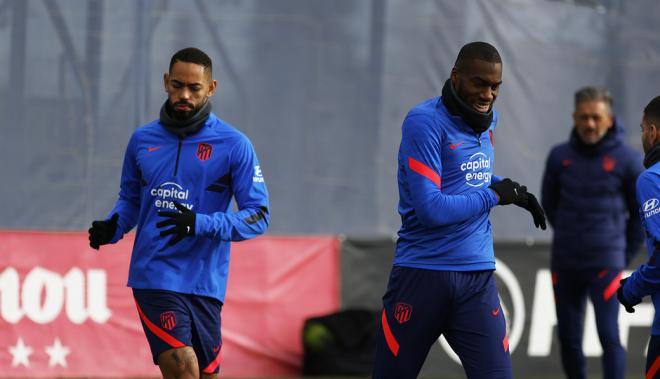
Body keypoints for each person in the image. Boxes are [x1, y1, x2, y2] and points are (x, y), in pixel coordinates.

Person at [87, 47, 269, 378]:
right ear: (165, 82)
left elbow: (258, 216)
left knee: (206, 374)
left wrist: (198, 224)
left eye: (194, 88)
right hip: (154, 273)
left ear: (211, 88)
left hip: (205, 281)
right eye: (177, 85)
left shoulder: (235, 144)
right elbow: (130, 199)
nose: (183, 94)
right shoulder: (142, 140)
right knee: (183, 366)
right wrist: (112, 228)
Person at [372, 41, 546, 379]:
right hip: (421, 276)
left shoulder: (487, 121)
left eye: (495, 86)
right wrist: (495, 195)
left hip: (477, 279)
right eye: (479, 83)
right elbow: (431, 209)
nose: (488, 94)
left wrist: (513, 191)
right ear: (455, 77)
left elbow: (468, 175)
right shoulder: (423, 122)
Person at [541, 87, 643, 379]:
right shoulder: (559, 156)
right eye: (583, 117)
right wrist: (572, 235)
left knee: (609, 336)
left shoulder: (628, 159)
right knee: (569, 340)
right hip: (566, 262)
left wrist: (619, 255)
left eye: (596, 117)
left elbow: (638, 217)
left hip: (606, 265)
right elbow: (549, 203)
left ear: (609, 119)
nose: (589, 124)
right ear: (574, 117)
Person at [618, 95, 660, 379]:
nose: (643, 135)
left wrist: (631, 288)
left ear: (654, 132)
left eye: (644, 129)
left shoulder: (652, 179)